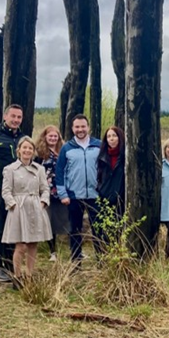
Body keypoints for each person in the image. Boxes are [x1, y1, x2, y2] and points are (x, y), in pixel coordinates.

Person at [2, 136, 52, 283]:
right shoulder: (10, 169)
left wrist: (42, 203)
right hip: (18, 209)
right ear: (19, 150)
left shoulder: (40, 169)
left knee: (33, 243)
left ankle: (30, 275)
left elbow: (45, 189)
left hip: (35, 208)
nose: (27, 150)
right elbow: (6, 191)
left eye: (30, 148)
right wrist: (13, 205)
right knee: (20, 245)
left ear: (33, 151)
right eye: (24, 147)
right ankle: (17, 276)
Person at [55, 114, 102, 265]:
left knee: (99, 229)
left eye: (83, 126)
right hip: (74, 196)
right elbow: (60, 172)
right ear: (72, 128)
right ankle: (76, 261)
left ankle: (102, 260)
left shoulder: (98, 145)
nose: (80, 129)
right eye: (77, 127)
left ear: (88, 127)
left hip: (95, 195)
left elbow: (105, 169)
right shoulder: (66, 148)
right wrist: (63, 194)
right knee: (75, 229)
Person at [0, 104, 24, 282]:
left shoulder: (23, 138)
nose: (16, 120)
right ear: (5, 116)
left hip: (19, 191)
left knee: (14, 227)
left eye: (19, 117)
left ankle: (10, 264)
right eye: (13, 116)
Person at [35, 125, 69, 262]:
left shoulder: (63, 150)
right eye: (50, 136)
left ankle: (73, 248)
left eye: (55, 136)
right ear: (45, 137)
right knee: (49, 221)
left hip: (61, 189)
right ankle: (52, 251)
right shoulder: (39, 153)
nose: (53, 138)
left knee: (65, 218)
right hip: (46, 190)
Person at [97, 126, 126, 218]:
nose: (111, 139)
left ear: (120, 137)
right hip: (105, 200)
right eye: (108, 136)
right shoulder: (102, 156)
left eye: (114, 135)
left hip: (122, 200)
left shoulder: (125, 156)